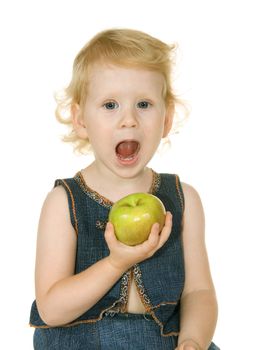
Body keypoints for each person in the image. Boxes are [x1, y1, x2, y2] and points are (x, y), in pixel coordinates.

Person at [29, 28, 219, 350]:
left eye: (144, 104)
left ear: (167, 118)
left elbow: (198, 292)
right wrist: (114, 263)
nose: (128, 120)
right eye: (110, 105)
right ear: (81, 120)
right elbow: (52, 308)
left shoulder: (184, 199)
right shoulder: (64, 202)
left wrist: (193, 339)